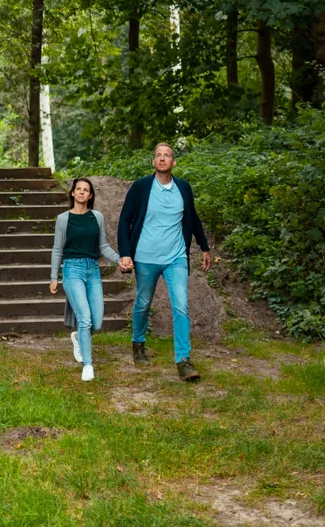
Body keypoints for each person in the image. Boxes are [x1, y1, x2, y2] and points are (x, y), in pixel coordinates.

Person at [117, 142, 212, 381]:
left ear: (173, 162)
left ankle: (183, 360)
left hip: (176, 257)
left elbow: (193, 217)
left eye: (167, 155)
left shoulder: (183, 188)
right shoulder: (140, 187)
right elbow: (124, 221)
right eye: (158, 155)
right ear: (153, 161)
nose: (162, 158)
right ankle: (138, 344)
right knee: (143, 302)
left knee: (181, 305)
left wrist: (204, 247)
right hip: (146, 258)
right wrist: (125, 252)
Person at [49, 178, 120, 382]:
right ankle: (88, 365)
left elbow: (103, 246)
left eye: (86, 190)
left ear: (90, 195)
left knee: (96, 323)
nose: (81, 192)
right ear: (72, 193)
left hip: (93, 271)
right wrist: (54, 277)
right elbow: (57, 249)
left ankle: (78, 337)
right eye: (78, 189)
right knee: (85, 317)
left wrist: (120, 260)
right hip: (72, 271)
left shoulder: (96, 217)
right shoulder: (63, 219)